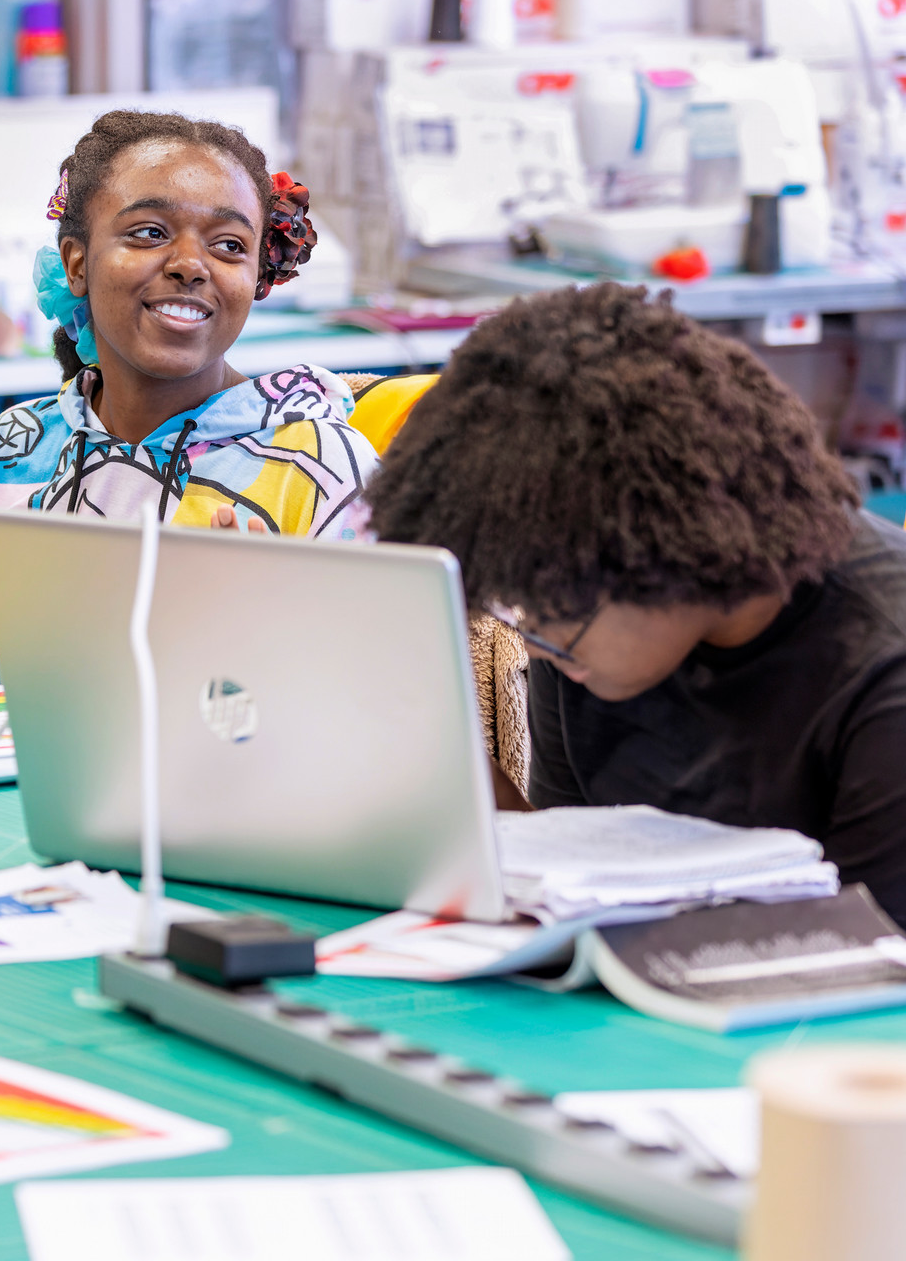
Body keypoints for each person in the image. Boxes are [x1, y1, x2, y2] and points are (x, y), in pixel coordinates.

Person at [366, 282, 906, 924]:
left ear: (675, 543)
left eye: (553, 614)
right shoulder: (578, 633)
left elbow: (871, 969)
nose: (535, 638)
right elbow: (579, 877)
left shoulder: (881, 669)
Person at [0, 110, 381, 686]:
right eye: (149, 232)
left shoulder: (324, 474)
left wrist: (267, 647)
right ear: (77, 264)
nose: (191, 265)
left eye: (230, 244)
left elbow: (391, 736)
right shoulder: (13, 452)